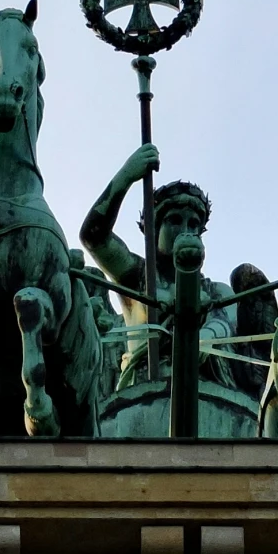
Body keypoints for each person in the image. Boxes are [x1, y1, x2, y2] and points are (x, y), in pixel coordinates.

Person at [78, 143, 239, 389]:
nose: (186, 230)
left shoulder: (219, 292)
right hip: (143, 391)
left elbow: (222, 324)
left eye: (194, 224)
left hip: (206, 392)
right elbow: (94, 237)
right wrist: (127, 175)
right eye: (174, 220)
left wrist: (201, 340)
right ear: (154, 228)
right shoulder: (136, 276)